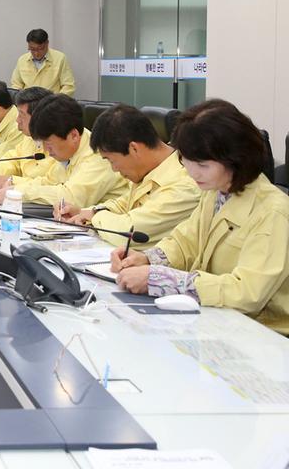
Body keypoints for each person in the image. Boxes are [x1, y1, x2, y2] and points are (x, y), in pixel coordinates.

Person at [113, 99, 289, 335]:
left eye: (203, 165)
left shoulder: (273, 212)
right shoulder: (217, 191)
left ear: (236, 159)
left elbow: (247, 292)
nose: (192, 172)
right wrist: (148, 259)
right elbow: (186, 242)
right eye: (186, 160)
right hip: (217, 320)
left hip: (264, 335)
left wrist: (163, 280)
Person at [56, 104, 200, 249]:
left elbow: (128, 232)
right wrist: (84, 212)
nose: (114, 169)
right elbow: (122, 205)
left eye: (112, 160)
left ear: (134, 149)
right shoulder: (148, 172)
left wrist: (94, 217)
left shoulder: (183, 184)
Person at [0, 94, 127, 206]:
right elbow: (49, 182)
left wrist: (19, 192)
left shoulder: (100, 156)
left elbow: (71, 198)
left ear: (73, 135)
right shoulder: (69, 154)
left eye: (49, 143)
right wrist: (15, 187)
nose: (47, 150)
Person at [0, 86, 56, 190]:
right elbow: (13, 160)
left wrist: (12, 181)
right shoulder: (30, 138)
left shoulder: (60, 143)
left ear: (38, 117)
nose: (17, 120)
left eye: (22, 115)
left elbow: (52, 183)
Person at [10, 29, 75, 96]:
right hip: (28, 103)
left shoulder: (60, 58)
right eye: (32, 49)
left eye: (40, 49)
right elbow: (16, 85)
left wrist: (56, 102)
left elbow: (68, 86)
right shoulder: (22, 60)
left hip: (52, 103)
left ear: (47, 43)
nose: (36, 53)